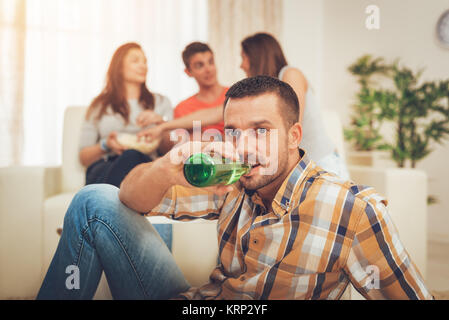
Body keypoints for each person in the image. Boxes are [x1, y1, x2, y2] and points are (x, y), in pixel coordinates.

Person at [37, 76, 433, 300]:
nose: (244, 145)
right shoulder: (231, 180)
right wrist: (166, 168)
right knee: (93, 200)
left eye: (261, 130)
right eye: (233, 132)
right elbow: (127, 198)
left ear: (294, 135)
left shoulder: (351, 209)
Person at [240, 32, 349, 179]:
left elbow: (290, 120)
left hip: (322, 164)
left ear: (256, 57)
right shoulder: (266, 92)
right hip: (301, 169)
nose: (241, 64)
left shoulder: (291, 74)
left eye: (243, 57)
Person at [79, 42, 174, 188]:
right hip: (105, 166)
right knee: (118, 163)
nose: (143, 66)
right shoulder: (99, 105)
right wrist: (105, 144)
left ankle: (101, 204)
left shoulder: (160, 102)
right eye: (135, 61)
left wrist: (161, 125)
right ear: (119, 67)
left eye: (145, 61)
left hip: (146, 166)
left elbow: (170, 151)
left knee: (131, 155)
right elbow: (84, 157)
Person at [137, 42, 227, 142]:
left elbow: (217, 113)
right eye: (199, 66)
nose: (208, 69)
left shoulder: (235, 95)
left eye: (211, 62)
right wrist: (161, 125)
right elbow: (182, 147)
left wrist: (164, 126)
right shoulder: (182, 109)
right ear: (188, 72)